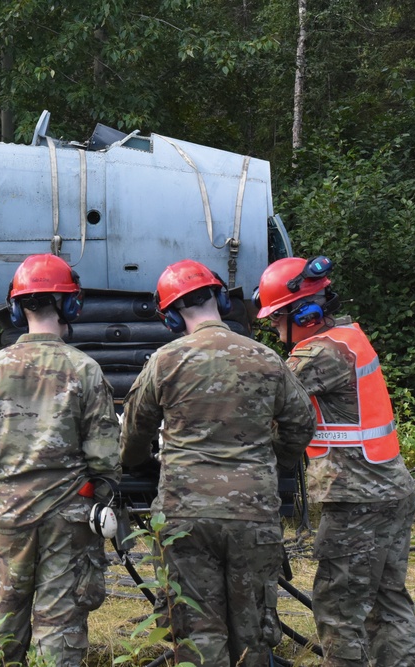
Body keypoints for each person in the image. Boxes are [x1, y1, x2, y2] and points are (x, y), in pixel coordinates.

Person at [120, 259, 316, 667]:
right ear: (221, 300)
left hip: (185, 513)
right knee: (253, 630)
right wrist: (270, 464)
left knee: (196, 630)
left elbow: (136, 433)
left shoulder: (165, 361)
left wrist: (140, 464)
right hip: (253, 513)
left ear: (171, 316)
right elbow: (301, 424)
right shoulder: (267, 359)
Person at [256, 256, 415, 667]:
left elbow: (259, 398)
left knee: (338, 611)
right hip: (390, 489)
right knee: (388, 603)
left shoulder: (319, 354)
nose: (275, 330)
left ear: (305, 314)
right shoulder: (350, 335)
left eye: (277, 320)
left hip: (355, 500)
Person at [0, 253, 122, 667]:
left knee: (3, 622)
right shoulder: (85, 370)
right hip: (70, 517)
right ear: (70, 305)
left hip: (9, 513)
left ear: (16, 307)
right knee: (62, 625)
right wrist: (99, 492)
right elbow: (104, 454)